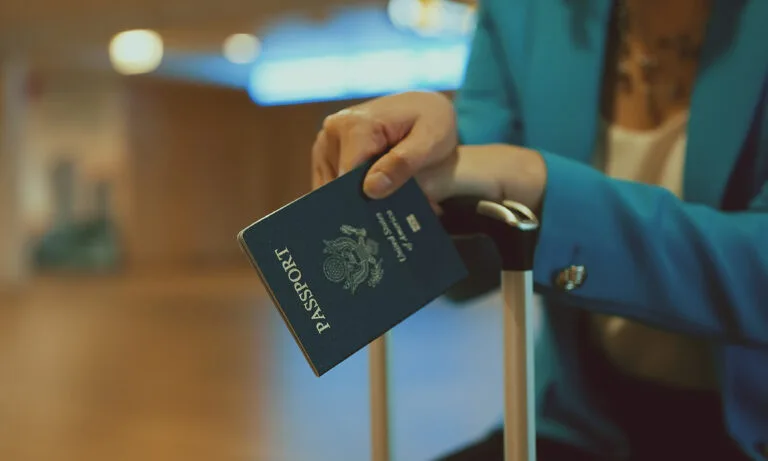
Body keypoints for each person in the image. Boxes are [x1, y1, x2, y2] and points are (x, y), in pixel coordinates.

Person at [311, 0, 768, 459]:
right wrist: (414, 159)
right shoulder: (522, 12)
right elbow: (473, 226)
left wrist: (535, 182)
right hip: (587, 420)